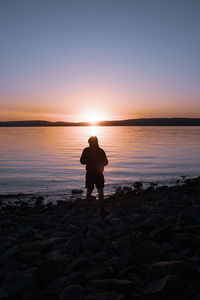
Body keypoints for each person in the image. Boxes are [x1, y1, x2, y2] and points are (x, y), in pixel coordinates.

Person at [80, 136, 108, 213]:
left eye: (90, 142)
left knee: (90, 191)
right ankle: (101, 209)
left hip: (91, 173)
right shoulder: (101, 151)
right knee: (100, 191)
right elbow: (106, 162)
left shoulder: (86, 150)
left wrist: (89, 162)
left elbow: (82, 161)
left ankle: (87, 209)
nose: (89, 143)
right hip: (98, 173)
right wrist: (99, 164)